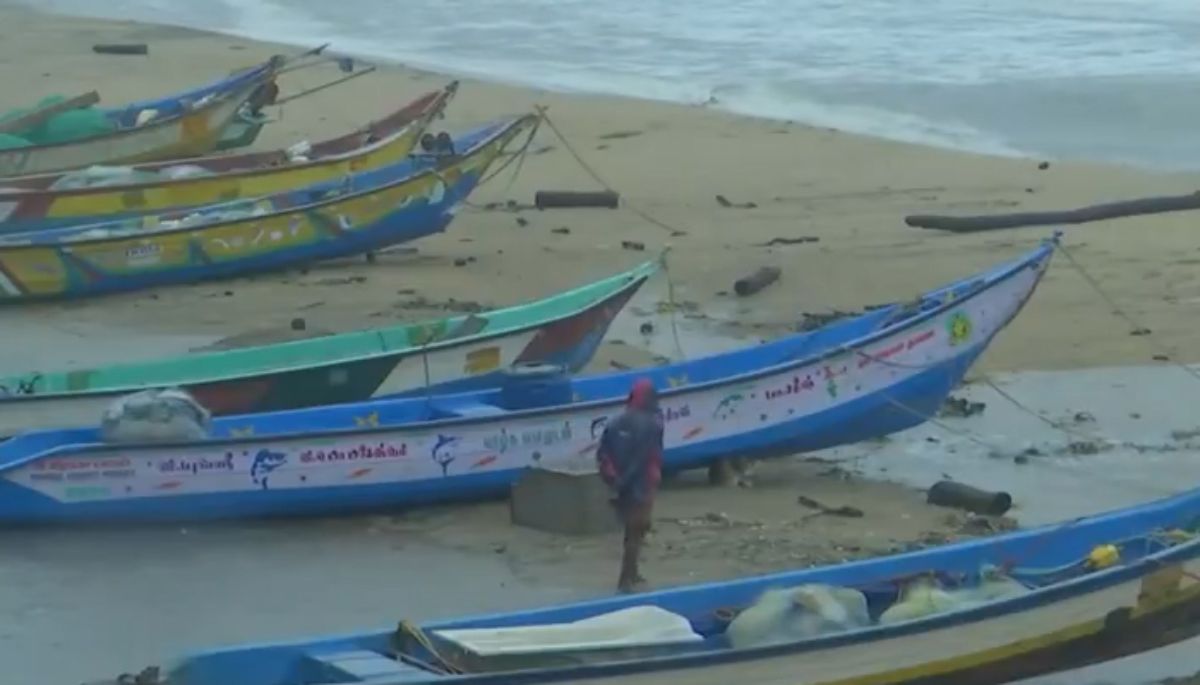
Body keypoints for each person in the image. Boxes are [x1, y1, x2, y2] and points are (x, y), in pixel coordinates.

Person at [596, 377, 664, 593]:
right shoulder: (653, 425)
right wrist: (638, 482)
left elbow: (602, 454)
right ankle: (626, 579)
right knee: (637, 532)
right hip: (641, 484)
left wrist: (615, 480)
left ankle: (631, 573)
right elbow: (648, 457)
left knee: (630, 531)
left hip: (619, 483)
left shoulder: (615, 422)